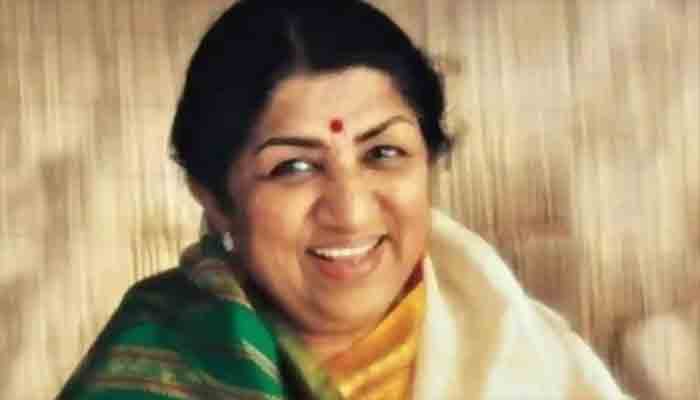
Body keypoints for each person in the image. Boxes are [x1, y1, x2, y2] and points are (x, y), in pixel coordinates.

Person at [58, 1, 633, 398]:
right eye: (294, 167)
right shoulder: (155, 368)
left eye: (383, 154)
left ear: (429, 164)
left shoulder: (532, 363)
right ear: (212, 197)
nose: (351, 212)